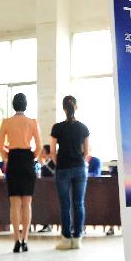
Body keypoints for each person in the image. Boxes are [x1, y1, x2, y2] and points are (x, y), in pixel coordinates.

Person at [0, 93, 43, 253]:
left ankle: (16, 240)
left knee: (15, 203)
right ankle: (25, 239)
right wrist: (32, 157)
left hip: (14, 160)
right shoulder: (32, 122)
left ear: (13, 105)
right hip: (27, 159)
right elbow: (39, 147)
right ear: (26, 105)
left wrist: (6, 156)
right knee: (27, 203)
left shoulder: (7, 122)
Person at [50, 95, 91, 251]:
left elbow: (53, 151)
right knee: (78, 203)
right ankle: (77, 239)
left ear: (63, 108)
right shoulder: (83, 127)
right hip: (80, 168)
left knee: (65, 205)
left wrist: (58, 163)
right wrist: (80, 162)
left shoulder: (57, 128)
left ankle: (66, 239)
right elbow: (86, 151)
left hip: (63, 169)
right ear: (76, 107)